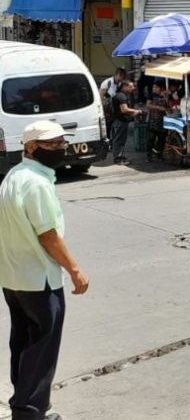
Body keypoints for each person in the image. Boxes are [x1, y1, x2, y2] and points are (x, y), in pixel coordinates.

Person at [0, 121, 90, 420]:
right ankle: (30, 413)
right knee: (42, 349)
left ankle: (25, 404)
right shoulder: (36, 183)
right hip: (39, 279)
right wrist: (75, 270)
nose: (60, 148)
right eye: (51, 144)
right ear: (30, 147)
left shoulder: (14, 175)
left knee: (25, 344)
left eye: (62, 142)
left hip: (14, 278)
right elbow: (48, 235)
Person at [110, 81, 143, 166]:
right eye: (131, 86)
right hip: (119, 121)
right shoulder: (121, 96)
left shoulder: (122, 95)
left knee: (120, 140)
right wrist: (137, 111)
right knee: (118, 141)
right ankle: (118, 159)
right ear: (125, 86)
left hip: (120, 121)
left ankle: (120, 157)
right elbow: (124, 109)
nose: (133, 88)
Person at [146, 83, 172, 162]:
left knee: (162, 139)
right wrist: (160, 108)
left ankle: (159, 154)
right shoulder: (151, 95)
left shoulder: (165, 96)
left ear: (161, 88)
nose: (154, 89)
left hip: (163, 121)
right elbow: (148, 105)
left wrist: (166, 97)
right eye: (154, 87)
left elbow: (169, 107)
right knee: (151, 139)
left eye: (156, 87)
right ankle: (149, 155)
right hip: (153, 121)